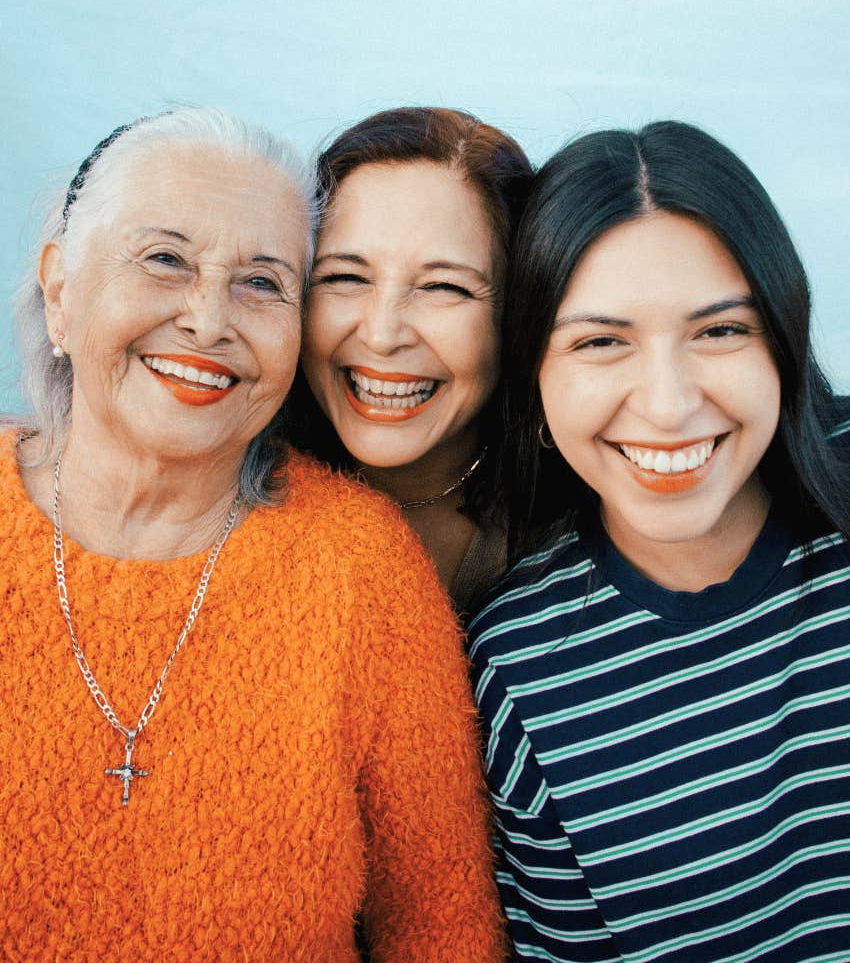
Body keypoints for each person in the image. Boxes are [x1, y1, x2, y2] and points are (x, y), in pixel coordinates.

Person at [0, 109, 507, 963]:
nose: (208, 321)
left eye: (264, 282)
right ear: (60, 289)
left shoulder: (363, 569)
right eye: (165, 259)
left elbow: (441, 929)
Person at [468, 121, 850, 962]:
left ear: (784, 344)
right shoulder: (519, 671)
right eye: (601, 342)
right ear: (532, 383)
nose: (669, 405)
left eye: (720, 331)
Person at [290, 106, 532, 620]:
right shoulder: (226, 499)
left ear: (518, 310)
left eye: (444, 287)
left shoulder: (582, 531)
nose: (380, 336)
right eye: (344, 278)